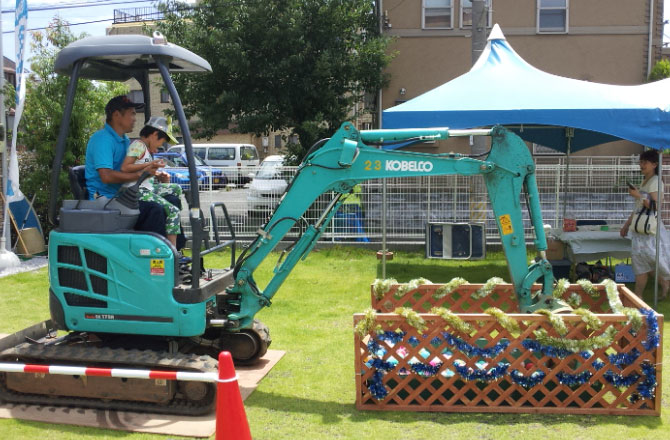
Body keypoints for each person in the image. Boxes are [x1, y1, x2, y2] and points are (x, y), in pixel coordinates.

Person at [85, 95, 167, 236]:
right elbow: (106, 176)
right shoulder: (102, 140)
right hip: (107, 201)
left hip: (124, 196)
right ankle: (154, 254)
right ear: (117, 115)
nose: (135, 118)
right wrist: (140, 175)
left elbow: (135, 167)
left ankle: (175, 249)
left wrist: (155, 174)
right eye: (132, 114)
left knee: (170, 200)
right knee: (155, 209)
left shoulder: (124, 140)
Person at [120, 116, 182, 247]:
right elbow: (125, 167)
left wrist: (159, 175)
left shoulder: (146, 150)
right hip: (136, 190)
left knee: (176, 188)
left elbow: (145, 170)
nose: (161, 146)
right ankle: (173, 250)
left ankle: (172, 232)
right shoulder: (138, 145)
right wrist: (149, 167)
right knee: (174, 211)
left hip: (147, 188)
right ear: (154, 135)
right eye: (162, 141)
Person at [620, 149, 670, 299]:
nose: (641, 165)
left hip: (649, 230)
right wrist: (626, 225)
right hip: (639, 229)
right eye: (641, 162)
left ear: (654, 164)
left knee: (652, 261)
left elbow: (654, 207)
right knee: (640, 263)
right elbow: (638, 208)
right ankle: (638, 296)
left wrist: (638, 195)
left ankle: (664, 282)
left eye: (645, 162)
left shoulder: (655, 181)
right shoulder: (645, 181)